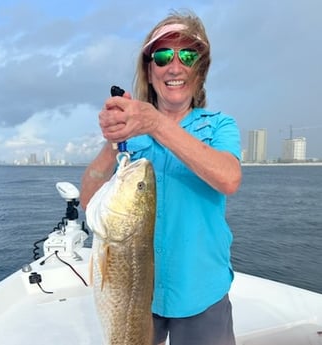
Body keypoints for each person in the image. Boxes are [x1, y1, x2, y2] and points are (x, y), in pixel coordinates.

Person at [80, 10, 241, 345]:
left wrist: (154, 123)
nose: (175, 66)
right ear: (149, 70)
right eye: (163, 55)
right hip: (137, 295)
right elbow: (89, 201)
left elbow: (229, 179)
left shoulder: (219, 126)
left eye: (188, 55)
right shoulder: (131, 138)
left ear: (201, 68)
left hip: (202, 292)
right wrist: (114, 140)